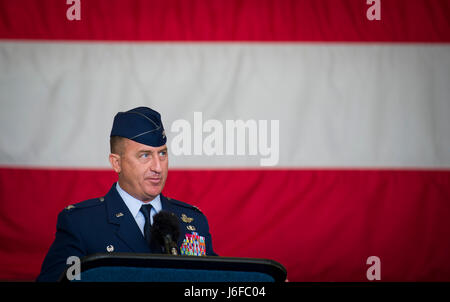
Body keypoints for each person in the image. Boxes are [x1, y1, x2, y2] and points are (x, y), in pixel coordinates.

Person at [37, 107, 217, 282]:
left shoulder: (193, 221)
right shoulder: (81, 224)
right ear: (117, 163)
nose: (157, 167)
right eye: (145, 155)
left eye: (162, 154)